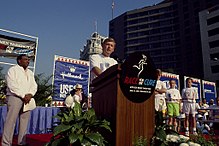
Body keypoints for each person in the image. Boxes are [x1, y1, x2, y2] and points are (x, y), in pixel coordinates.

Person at [1, 54, 38, 146]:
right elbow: (11, 85)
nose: (28, 61)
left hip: (27, 99)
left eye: (28, 60)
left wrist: (30, 94)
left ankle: (22, 142)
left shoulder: (30, 72)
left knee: (24, 122)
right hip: (15, 97)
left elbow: (34, 86)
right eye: (25, 59)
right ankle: (6, 143)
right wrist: (23, 95)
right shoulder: (12, 70)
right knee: (11, 122)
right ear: (19, 61)